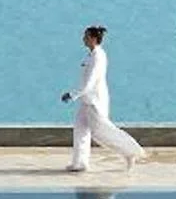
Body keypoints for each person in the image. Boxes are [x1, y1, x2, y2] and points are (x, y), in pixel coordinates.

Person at [61, 23, 143, 173]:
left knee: (103, 133)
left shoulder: (98, 56)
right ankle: (80, 163)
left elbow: (90, 82)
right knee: (80, 131)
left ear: (93, 38)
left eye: (86, 36)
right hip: (86, 101)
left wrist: (72, 95)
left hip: (94, 102)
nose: (83, 39)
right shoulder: (91, 55)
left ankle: (130, 152)